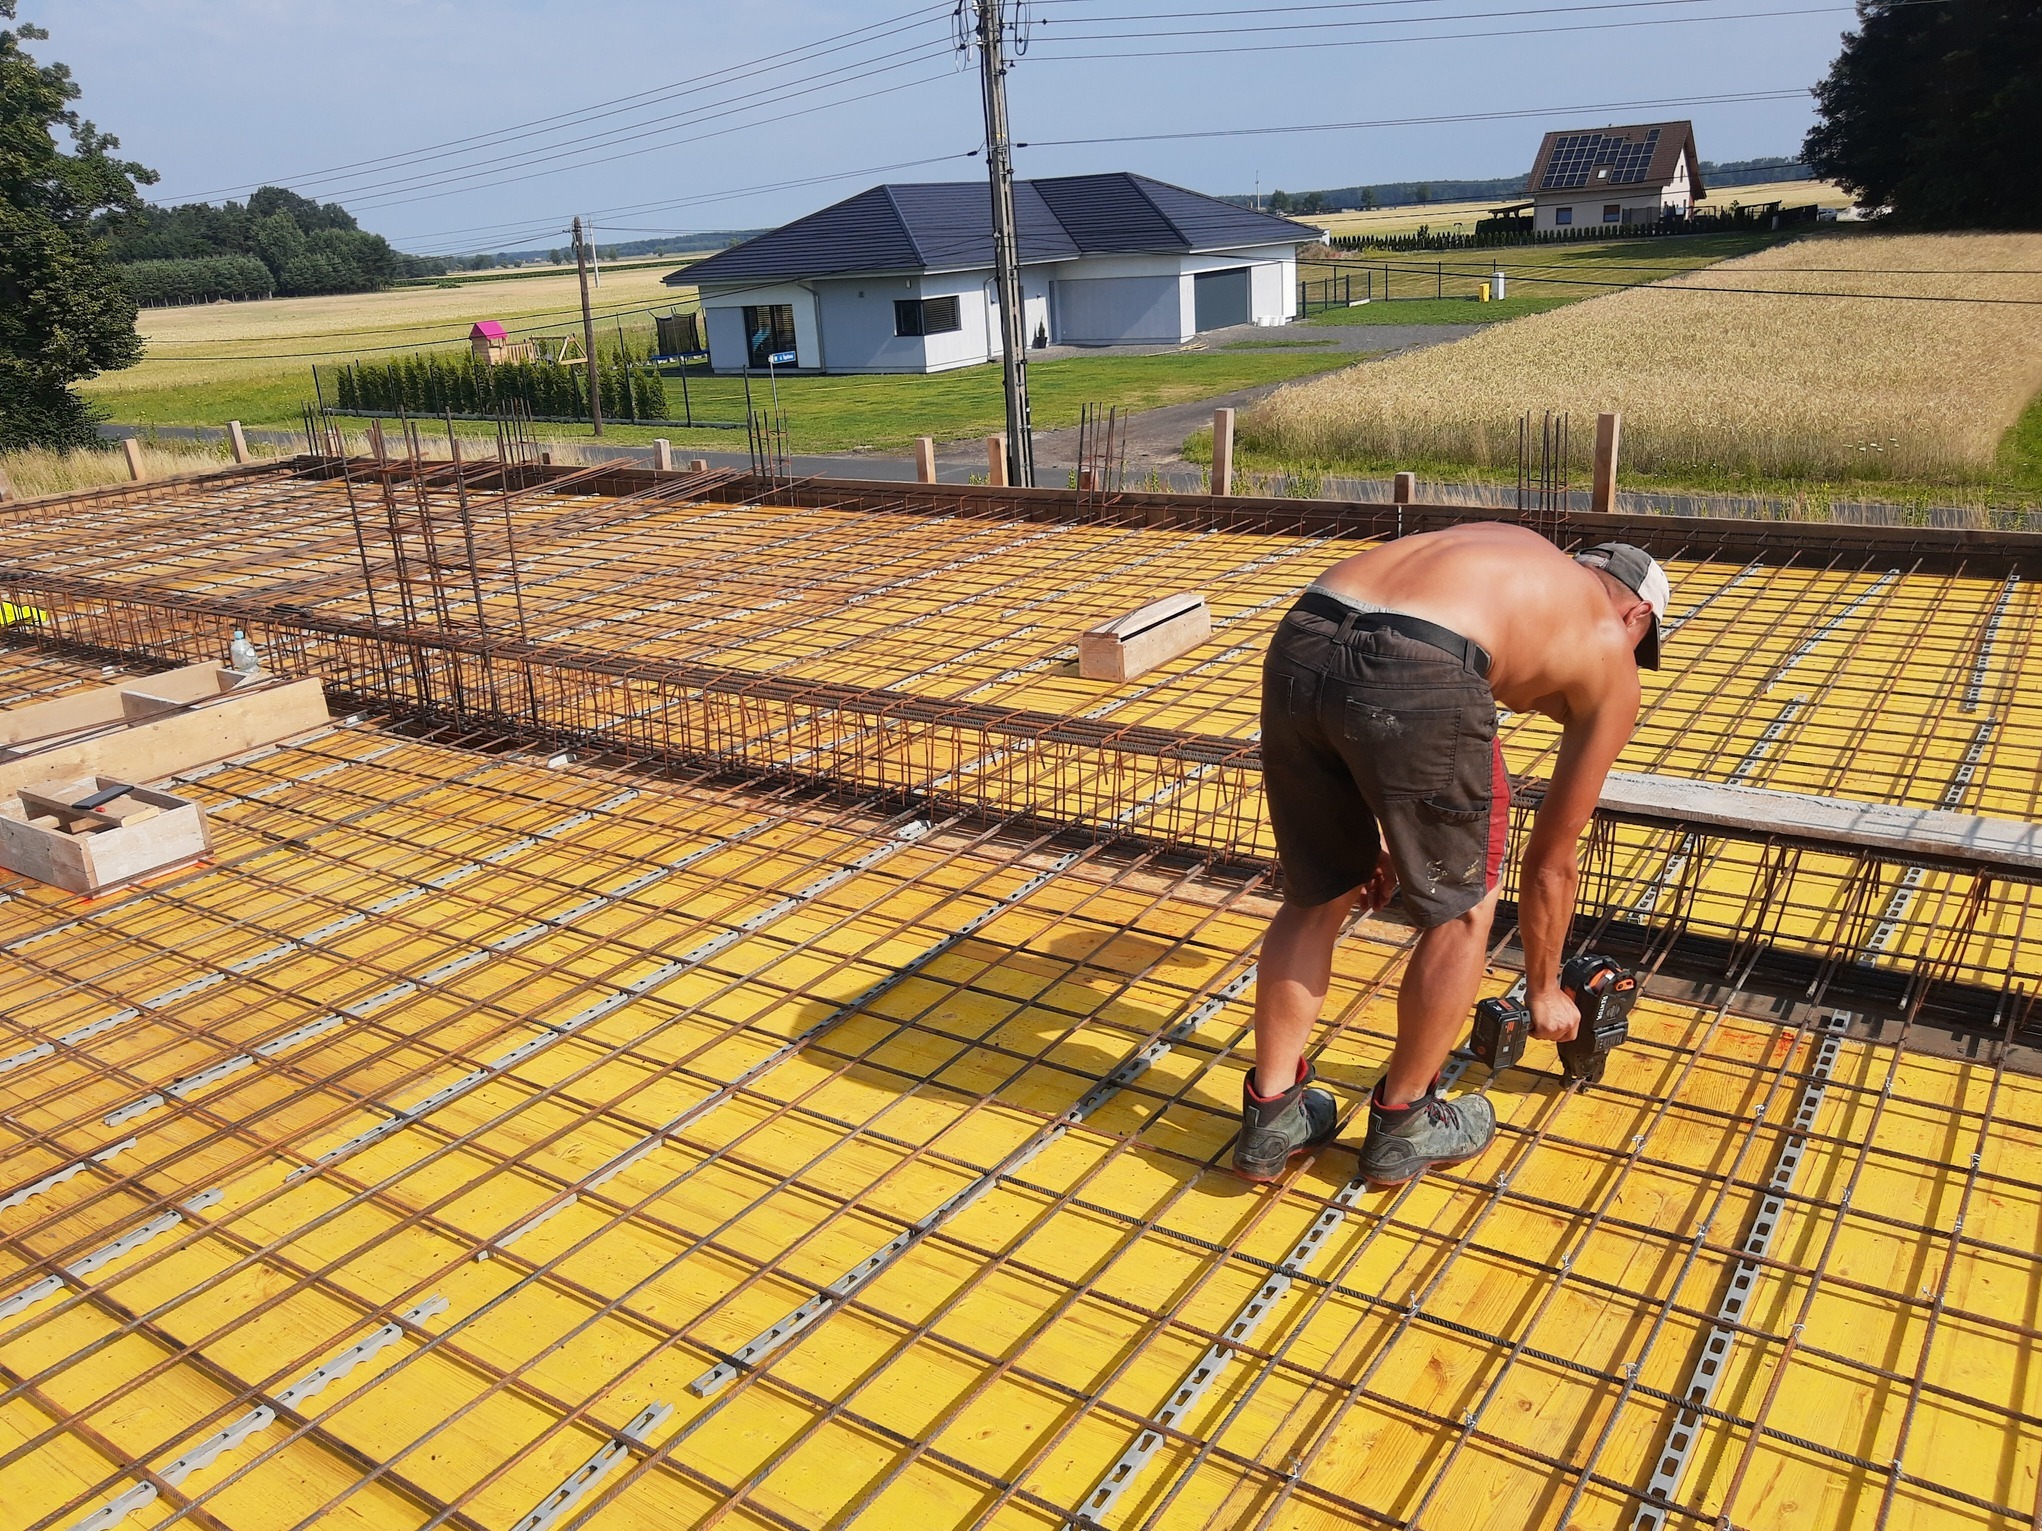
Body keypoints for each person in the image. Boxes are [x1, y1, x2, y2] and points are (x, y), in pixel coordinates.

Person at [1234, 527, 1669, 1185]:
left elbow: (1366, 660)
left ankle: (1271, 1117)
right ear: (1637, 615)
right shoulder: (1610, 644)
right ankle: (1405, 1121)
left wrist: (1385, 835)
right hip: (1425, 665)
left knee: (1317, 892)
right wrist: (1544, 989)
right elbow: (1551, 861)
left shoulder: (1512, 562)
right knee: (1465, 908)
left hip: (1305, 631)